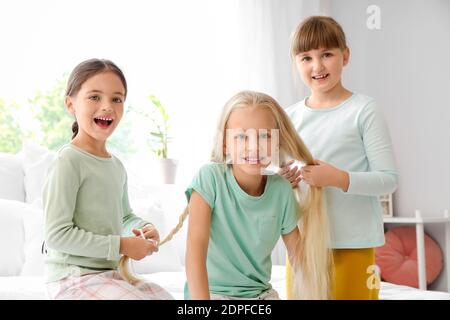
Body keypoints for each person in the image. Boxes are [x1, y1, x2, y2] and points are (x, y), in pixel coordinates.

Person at [282, 16, 398, 300]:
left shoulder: (364, 111)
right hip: (302, 244)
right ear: (296, 63)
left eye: (327, 55)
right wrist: (283, 181)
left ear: (345, 56)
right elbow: (283, 182)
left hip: (353, 244)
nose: (317, 66)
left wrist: (337, 178)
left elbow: (388, 180)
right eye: (306, 57)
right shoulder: (289, 116)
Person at [182, 90, 332, 300]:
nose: (253, 147)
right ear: (225, 143)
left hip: (262, 297)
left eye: (265, 136)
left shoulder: (281, 190)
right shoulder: (209, 179)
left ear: (277, 143)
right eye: (242, 137)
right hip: (211, 296)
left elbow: (299, 259)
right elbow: (195, 252)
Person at [43, 58, 173, 300]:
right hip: (72, 279)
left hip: (107, 275)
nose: (107, 106)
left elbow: (124, 216)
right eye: (94, 97)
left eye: (117, 99)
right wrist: (122, 246)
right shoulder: (68, 162)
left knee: (165, 297)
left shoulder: (116, 166)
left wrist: (142, 228)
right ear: (70, 104)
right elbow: (57, 235)